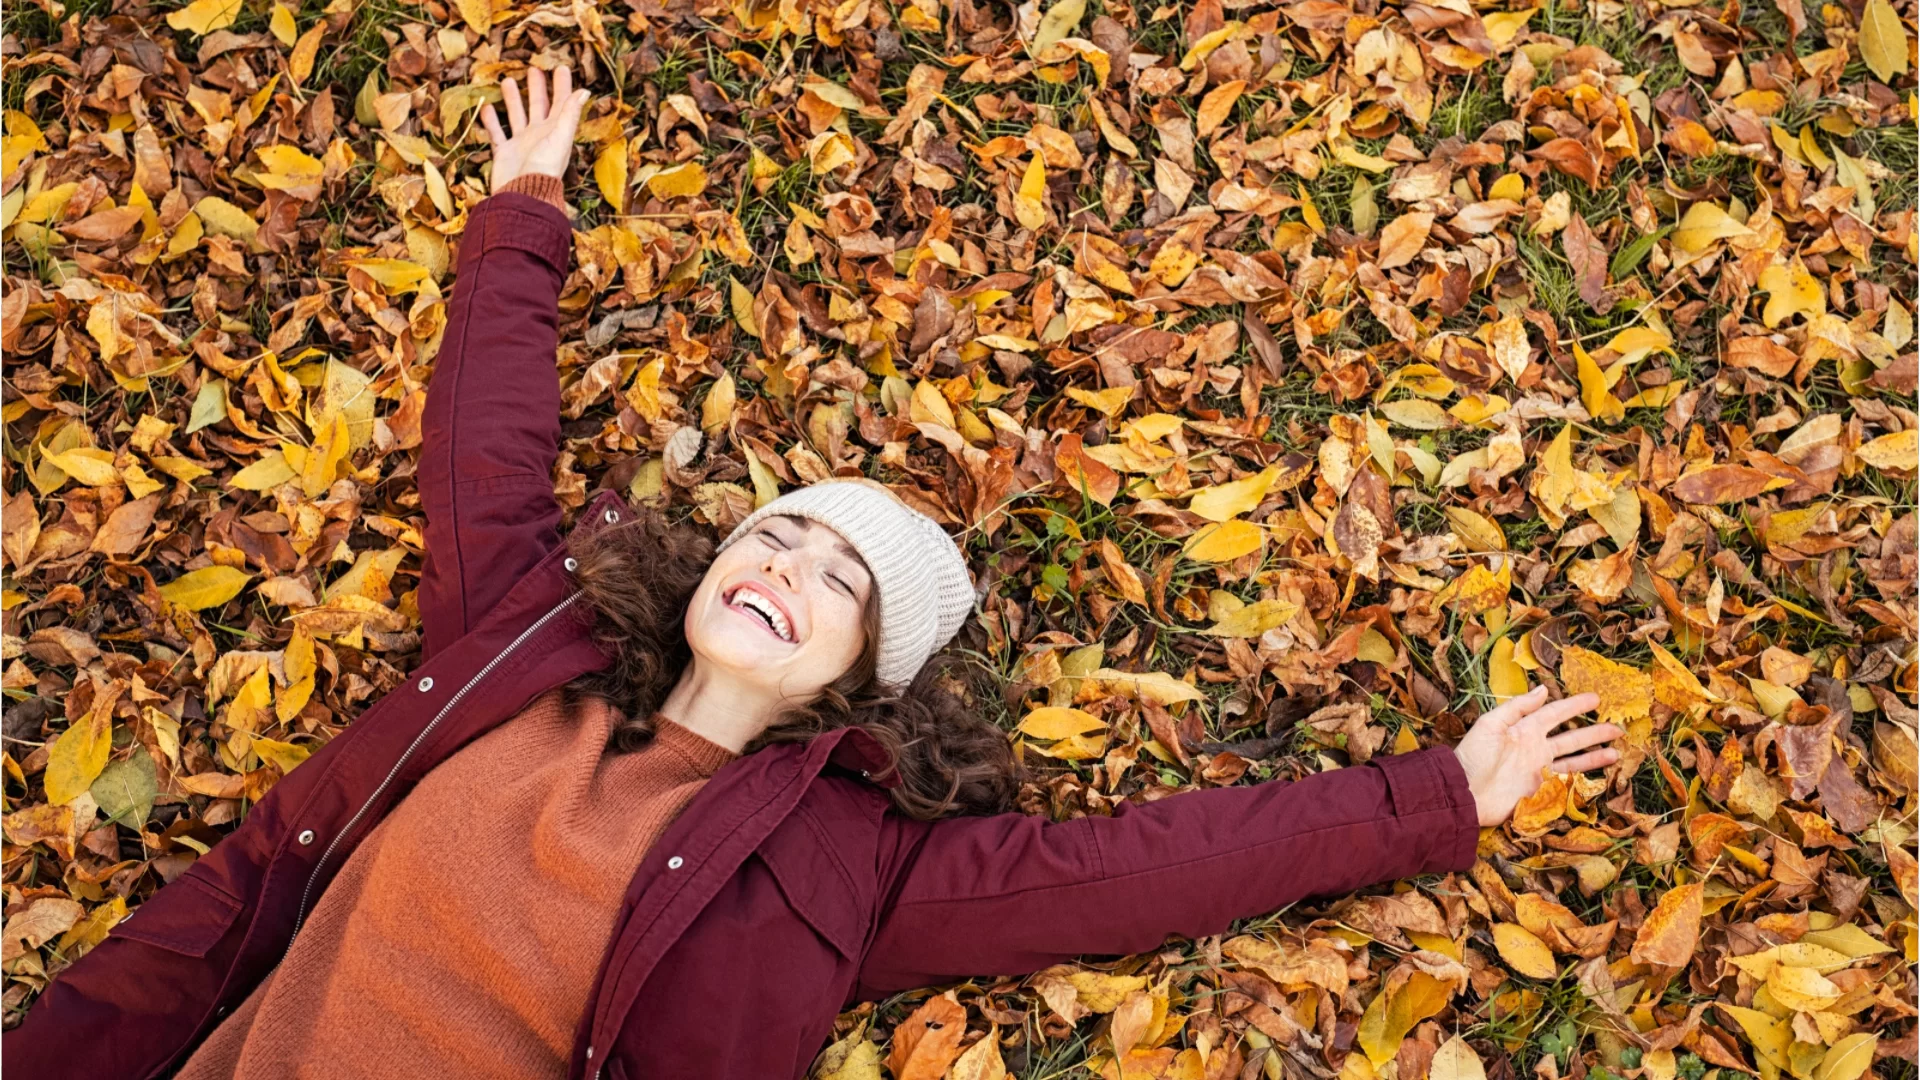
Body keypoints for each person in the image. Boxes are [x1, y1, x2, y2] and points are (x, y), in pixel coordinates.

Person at [4, 69, 1621, 1080]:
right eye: (780, 528)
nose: (786, 556)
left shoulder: (849, 867)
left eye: (841, 575)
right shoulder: (524, 647)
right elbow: (484, 455)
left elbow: (1139, 865)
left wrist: (1439, 799)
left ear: (863, 684)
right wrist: (524, 216)